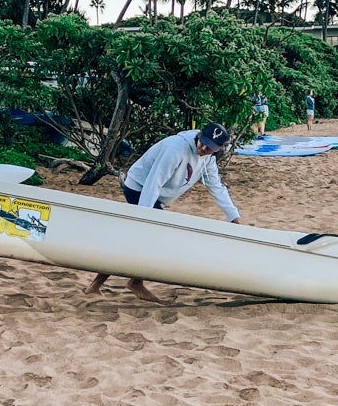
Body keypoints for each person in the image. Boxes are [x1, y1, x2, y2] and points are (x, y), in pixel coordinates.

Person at [87, 122, 243, 303]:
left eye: (210, 147)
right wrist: (144, 217)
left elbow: (216, 187)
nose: (204, 147)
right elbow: (154, 182)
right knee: (150, 238)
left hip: (155, 194)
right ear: (199, 135)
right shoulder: (176, 149)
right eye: (203, 142)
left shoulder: (208, 159)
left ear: (217, 150)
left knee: (138, 240)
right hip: (139, 188)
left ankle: (102, 285)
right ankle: (132, 282)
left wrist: (234, 217)